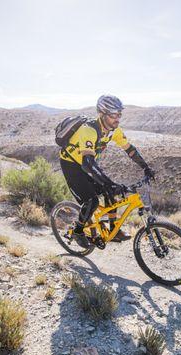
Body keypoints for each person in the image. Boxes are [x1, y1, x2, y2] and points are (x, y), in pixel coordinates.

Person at [59, 94, 155, 248]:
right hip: (72, 165)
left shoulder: (114, 130)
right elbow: (87, 163)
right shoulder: (88, 130)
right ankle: (78, 231)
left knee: (111, 192)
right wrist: (109, 183)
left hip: (87, 163)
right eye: (113, 115)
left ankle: (113, 229)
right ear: (102, 114)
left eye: (119, 114)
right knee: (92, 201)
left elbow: (129, 149)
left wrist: (146, 167)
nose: (117, 118)